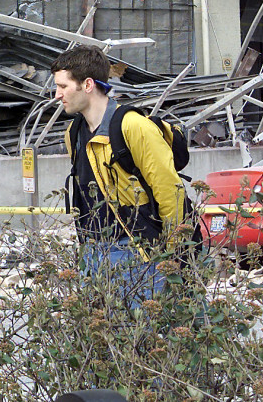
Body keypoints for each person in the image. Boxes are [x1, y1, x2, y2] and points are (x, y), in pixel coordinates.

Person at [52, 46, 188, 306]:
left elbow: (169, 191)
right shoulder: (73, 132)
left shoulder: (134, 126)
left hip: (137, 252)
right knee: (102, 341)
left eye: (63, 86)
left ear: (88, 84)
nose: (57, 95)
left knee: (142, 338)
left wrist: (175, 254)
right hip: (92, 253)